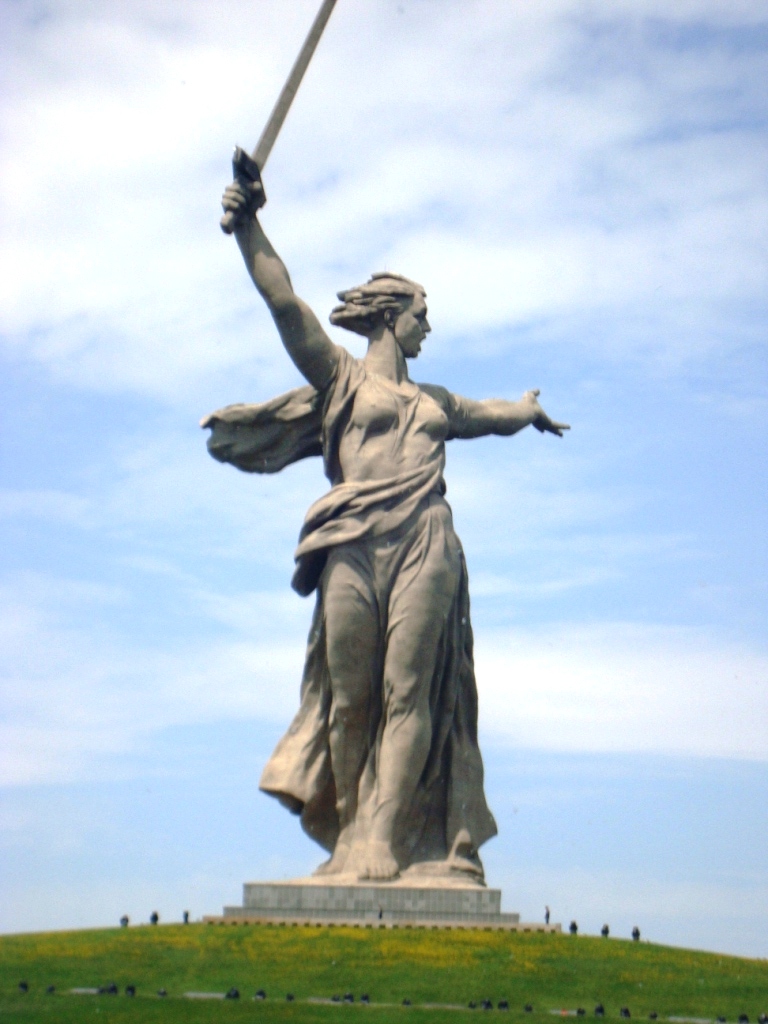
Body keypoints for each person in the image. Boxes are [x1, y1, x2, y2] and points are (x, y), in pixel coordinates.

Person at [206, 174, 569, 882]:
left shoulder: (437, 402)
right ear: (390, 316)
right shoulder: (341, 378)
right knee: (350, 699)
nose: (428, 327)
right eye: (422, 314)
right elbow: (285, 303)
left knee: (410, 691)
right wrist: (249, 228)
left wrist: (527, 409)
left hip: (426, 540)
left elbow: (492, 415)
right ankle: (350, 831)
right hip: (352, 540)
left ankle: (384, 838)